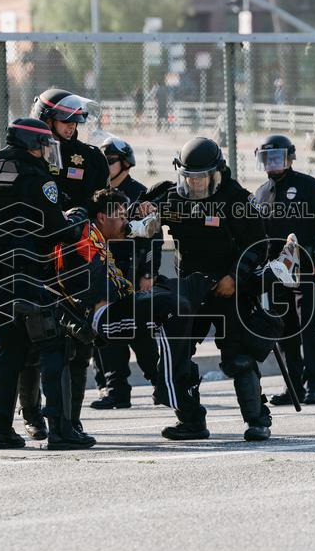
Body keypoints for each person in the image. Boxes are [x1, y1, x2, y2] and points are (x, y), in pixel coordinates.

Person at [144, 137, 274, 441]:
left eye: (202, 177)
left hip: (231, 288)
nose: (197, 183)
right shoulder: (171, 199)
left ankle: (257, 420)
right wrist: (147, 271)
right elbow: (143, 230)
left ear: (217, 173)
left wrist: (235, 277)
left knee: (238, 356)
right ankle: (191, 420)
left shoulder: (237, 200)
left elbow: (259, 246)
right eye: (189, 177)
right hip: (191, 288)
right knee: (176, 352)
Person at [0, 118, 93, 449]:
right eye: (43, 146)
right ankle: (61, 428)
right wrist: (77, 218)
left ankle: (0, 428)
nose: (46, 152)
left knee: (10, 351)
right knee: (54, 346)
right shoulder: (35, 178)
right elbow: (55, 230)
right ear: (31, 144)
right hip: (28, 276)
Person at [56, 188, 209, 428]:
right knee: (172, 306)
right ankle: (168, 387)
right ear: (102, 217)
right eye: (120, 215)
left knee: (194, 284)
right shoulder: (84, 234)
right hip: (104, 317)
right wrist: (83, 211)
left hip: (124, 304)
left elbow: (161, 191)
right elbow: (71, 222)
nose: (125, 221)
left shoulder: (103, 239)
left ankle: (268, 273)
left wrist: (145, 212)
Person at [16, 88, 111, 440]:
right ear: (45, 119)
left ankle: (70, 418)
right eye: (65, 120)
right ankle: (31, 415)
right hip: (34, 259)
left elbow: (101, 203)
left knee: (79, 342)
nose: (73, 126)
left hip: (77, 259)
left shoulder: (92, 158)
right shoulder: (27, 158)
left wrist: (83, 213)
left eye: (76, 120)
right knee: (32, 343)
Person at [253, 134, 315, 405]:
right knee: (283, 330)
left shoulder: (310, 187)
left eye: (277, 158)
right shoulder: (260, 193)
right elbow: (256, 237)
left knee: (308, 327)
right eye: (267, 159)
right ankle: (293, 387)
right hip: (275, 274)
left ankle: (314, 387)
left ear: (289, 158)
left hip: (307, 270)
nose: (272, 164)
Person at [90, 136, 162, 410]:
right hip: (102, 272)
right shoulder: (96, 194)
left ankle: (161, 383)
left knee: (140, 334)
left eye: (110, 162)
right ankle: (115, 389)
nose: (106, 166)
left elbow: (154, 238)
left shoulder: (140, 194)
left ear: (125, 163)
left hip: (132, 272)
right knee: (105, 331)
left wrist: (148, 274)